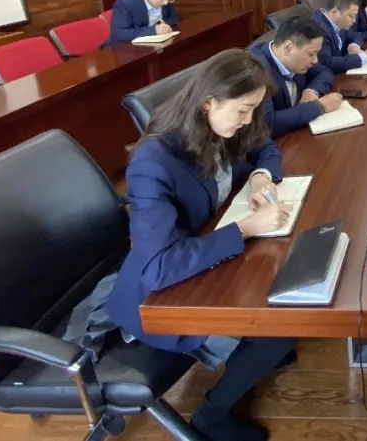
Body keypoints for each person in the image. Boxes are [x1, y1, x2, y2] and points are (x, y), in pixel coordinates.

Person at [105, 49, 296, 441]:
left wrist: (261, 177)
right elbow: (157, 267)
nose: (248, 120)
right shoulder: (153, 163)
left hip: (208, 246)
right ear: (210, 101)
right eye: (243, 110)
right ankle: (211, 416)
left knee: (283, 292)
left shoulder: (219, 124)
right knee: (278, 326)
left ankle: (260, 352)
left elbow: (263, 144)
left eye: (253, 110)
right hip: (165, 291)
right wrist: (245, 229)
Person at [248, 17, 342, 136]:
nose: (315, 60)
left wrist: (311, 91)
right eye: (311, 54)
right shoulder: (255, 70)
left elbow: (324, 72)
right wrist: (319, 106)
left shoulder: (295, 59)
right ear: (288, 47)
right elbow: (267, 123)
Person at [103, 0, 181, 46]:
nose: (166, 3)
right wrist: (154, 30)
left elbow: (174, 17)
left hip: (153, 45)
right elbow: (119, 34)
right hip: (123, 49)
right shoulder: (125, 4)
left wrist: (163, 27)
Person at [313, 0, 367, 73]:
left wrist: (353, 45)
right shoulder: (319, 28)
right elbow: (326, 62)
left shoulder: (338, 23)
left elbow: (356, 36)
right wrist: (365, 57)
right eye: (351, 16)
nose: (354, 21)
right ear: (335, 12)